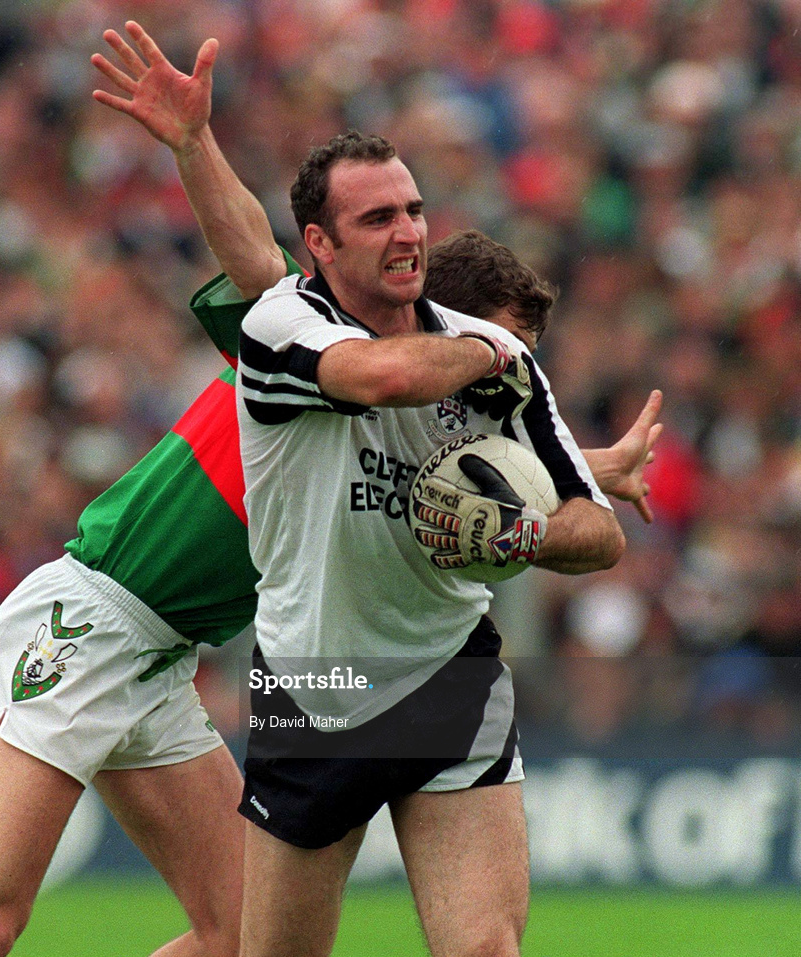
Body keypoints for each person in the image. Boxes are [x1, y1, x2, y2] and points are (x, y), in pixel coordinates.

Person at [0, 22, 660, 957]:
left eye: (413, 213)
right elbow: (267, 266)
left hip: (170, 657)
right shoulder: (289, 339)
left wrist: (568, 475)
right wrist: (192, 142)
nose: (484, 373)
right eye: (382, 221)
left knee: (232, 937)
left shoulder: (447, 406)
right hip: (90, 617)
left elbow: (445, 460)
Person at [233, 130, 627, 957]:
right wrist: (488, 347)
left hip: (451, 678)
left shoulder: (505, 362)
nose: (409, 231)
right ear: (320, 243)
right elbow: (380, 378)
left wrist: (524, 532)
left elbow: (600, 531)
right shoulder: (281, 324)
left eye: (414, 210)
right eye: (377, 218)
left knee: (485, 948)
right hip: (313, 684)